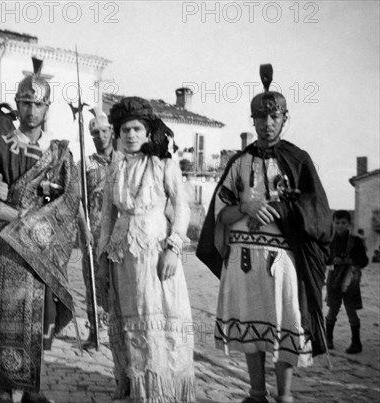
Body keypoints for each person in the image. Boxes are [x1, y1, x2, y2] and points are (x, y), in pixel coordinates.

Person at [197, 64, 332, 403]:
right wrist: (247, 207)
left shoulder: (298, 160)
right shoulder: (239, 163)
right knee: (250, 324)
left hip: (281, 260)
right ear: (252, 120)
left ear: (285, 118)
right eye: (260, 117)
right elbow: (220, 213)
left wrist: (285, 210)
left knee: (286, 321)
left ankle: (284, 396)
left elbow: (317, 213)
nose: (267, 123)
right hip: (243, 260)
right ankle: (256, 393)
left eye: (274, 117)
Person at [0, 58, 80, 403]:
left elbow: (69, 203)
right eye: (25, 102)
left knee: (38, 320)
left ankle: (32, 390)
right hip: (5, 247)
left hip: (42, 252)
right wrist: (24, 217)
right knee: (4, 319)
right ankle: (5, 389)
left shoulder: (59, 152)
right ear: (17, 105)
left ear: (47, 107)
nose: (31, 110)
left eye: (38, 103)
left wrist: (43, 227)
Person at [97, 97, 195, 402]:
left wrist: (174, 248)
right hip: (122, 256)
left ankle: (159, 390)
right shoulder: (115, 169)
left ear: (148, 131)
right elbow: (106, 218)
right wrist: (102, 258)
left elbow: (181, 207)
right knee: (128, 318)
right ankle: (131, 384)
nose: (130, 135)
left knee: (158, 319)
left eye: (136, 128)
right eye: (124, 129)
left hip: (155, 255)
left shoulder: (164, 164)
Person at [78, 110, 123, 350]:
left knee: (119, 283)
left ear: (112, 133)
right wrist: (84, 230)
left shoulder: (123, 161)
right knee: (94, 282)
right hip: (94, 234)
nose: (100, 136)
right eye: (95, 133)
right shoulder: (85, 164)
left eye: (105, 131)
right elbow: (77, 201)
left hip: (118, 233)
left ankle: (119, 332)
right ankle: (95, 331)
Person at [326, 210, 369, 354]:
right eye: (337, 223)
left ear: (349, 224)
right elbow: (325, 260)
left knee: (351, 310)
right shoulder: (329, 241)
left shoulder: (356, 241)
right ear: (333, 223)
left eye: (343, 223)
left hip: (350, 279)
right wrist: (333, 260)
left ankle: (356, 343)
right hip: (333, 280)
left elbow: (364, 261)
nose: (340, 226)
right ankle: (328, 339)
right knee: (333, 309)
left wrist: (351, 260)